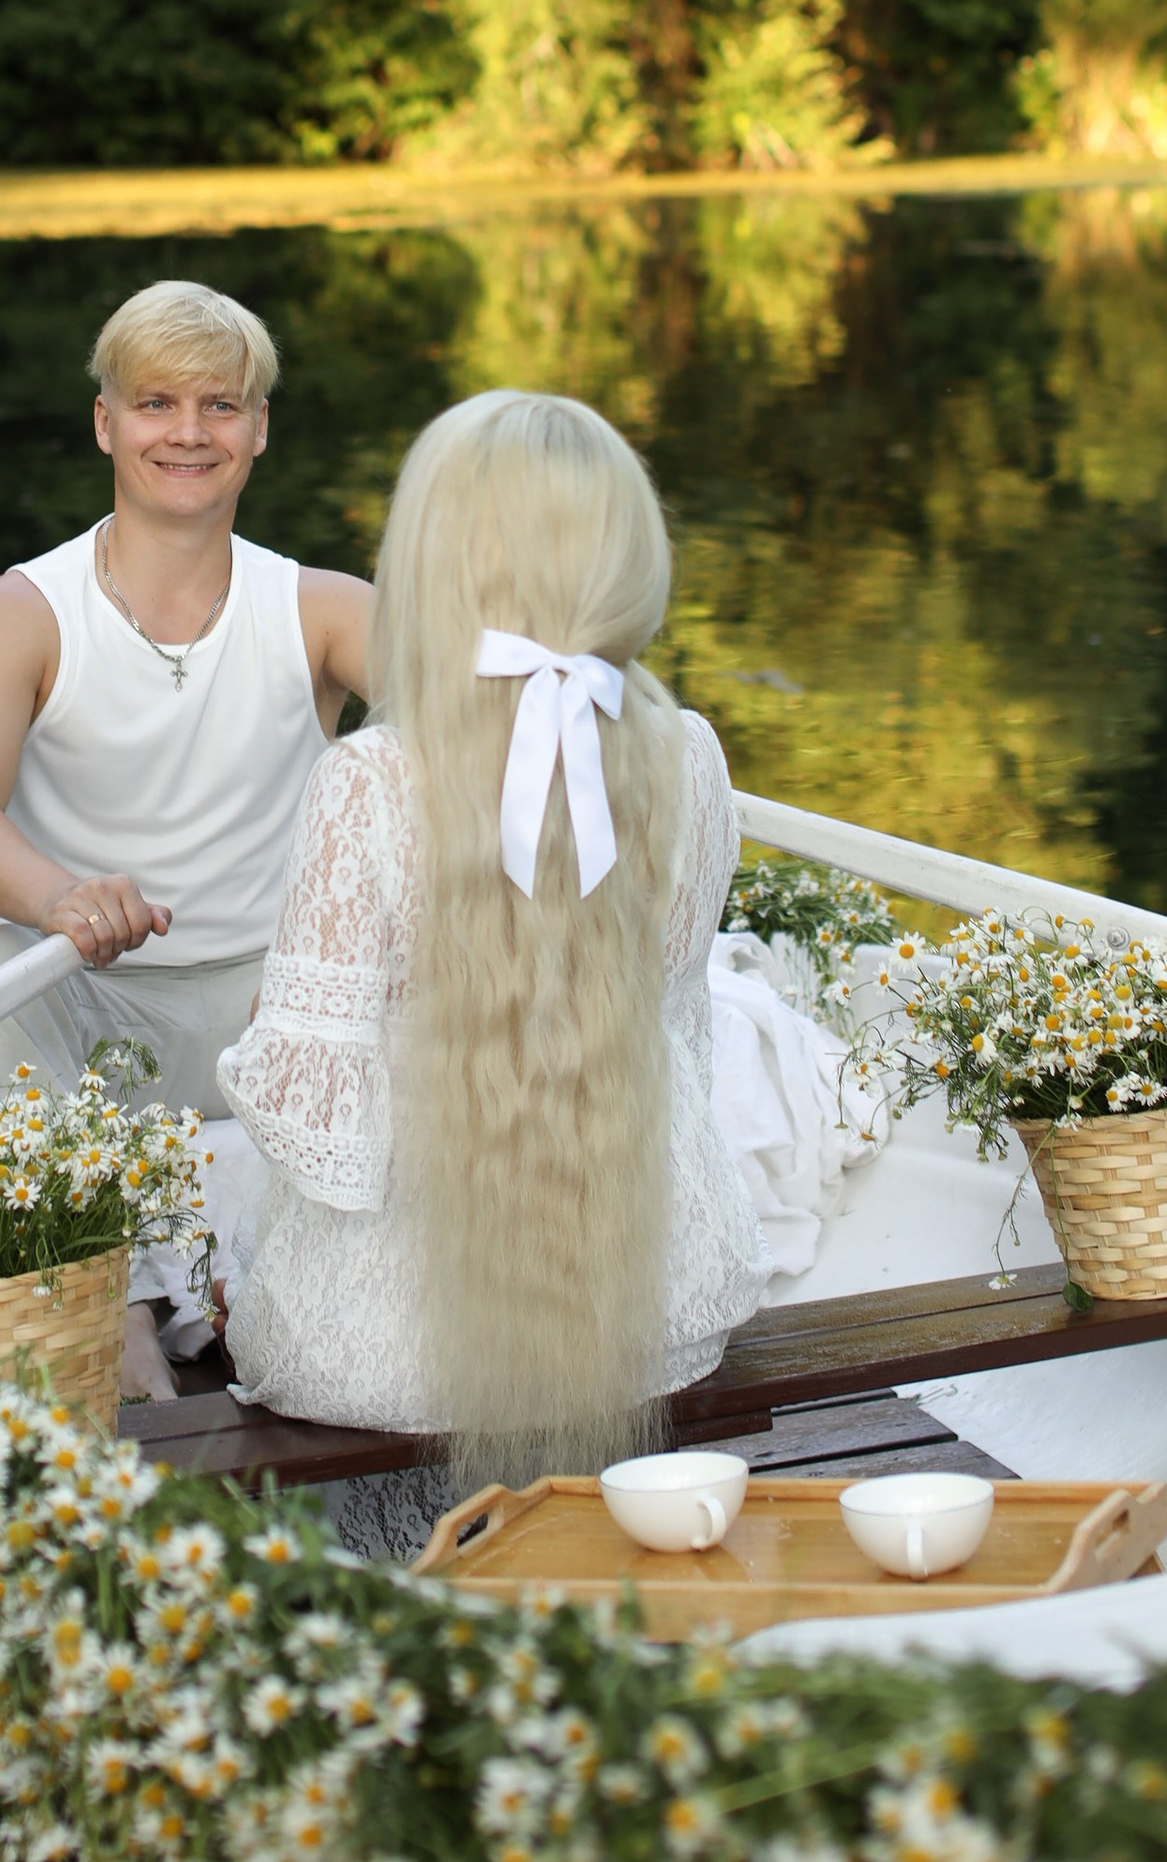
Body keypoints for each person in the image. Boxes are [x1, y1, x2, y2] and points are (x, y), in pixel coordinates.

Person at [217, 387, 767, 1487]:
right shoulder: (691, 756)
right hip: (655, 1315)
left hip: (387, 1358)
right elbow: (676, 1029)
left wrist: (257, 1038)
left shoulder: (371, 781)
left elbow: (307, 1110)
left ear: (436, 561)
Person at [0, 280, 371, 1117]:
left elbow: (479, 731)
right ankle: (62, 1237)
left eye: (221, 405)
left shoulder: (327, 611)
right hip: (82, 996)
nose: (189, 433)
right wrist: (59, 899)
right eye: (156, 402)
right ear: (105, 423)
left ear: (259, 428)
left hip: (280, 1009)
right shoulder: (18, 615)